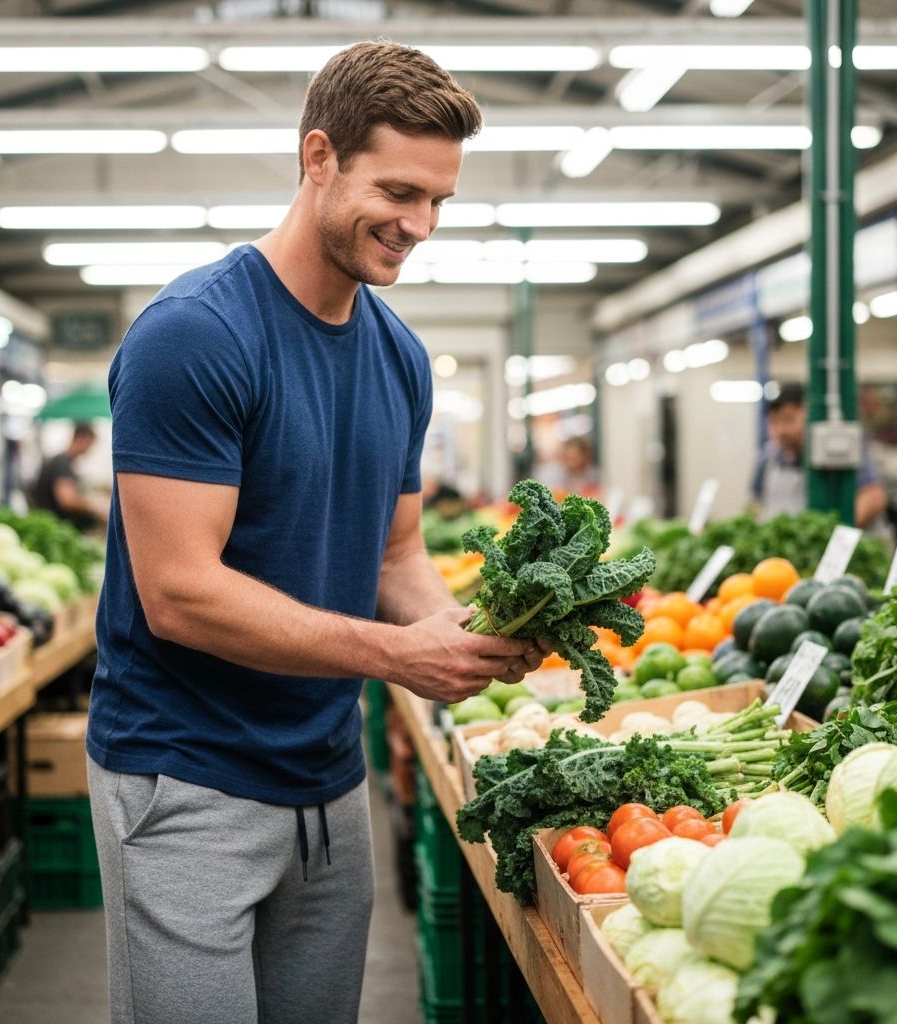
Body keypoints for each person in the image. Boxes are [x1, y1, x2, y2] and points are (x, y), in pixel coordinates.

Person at [86, 42, 546, 1024]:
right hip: (187, 776)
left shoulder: (399, 357)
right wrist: (395, 656)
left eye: (438, 202)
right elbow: (177, 592)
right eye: (397, 190)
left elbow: (393, 556)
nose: (418, 225)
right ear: (318, 157)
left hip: (328, 783)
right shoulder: (196, 336)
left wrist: (473, 633)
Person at [749, 382, 887, 529]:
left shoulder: (842, 447)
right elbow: (756, 503)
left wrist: (833, 538)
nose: (781, 430)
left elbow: (873, 497)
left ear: (810, 414)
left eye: (788, 419)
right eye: (773, 422)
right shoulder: (767, 457)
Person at [31, 421, 108, 528]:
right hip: (53, 524)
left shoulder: (62, 461)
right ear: (81, 439)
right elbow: (67, 500)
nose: (88, 450)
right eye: (89, 445)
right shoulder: (62, 463)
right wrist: (93, 505)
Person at [536, 435, 602, 497]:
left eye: (575, 458)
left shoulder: (592, 476)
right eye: (568, 458)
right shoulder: (551, 473)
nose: (571, 462)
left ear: (584, 457)